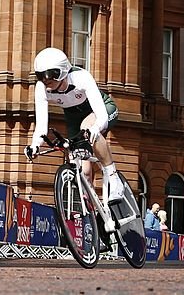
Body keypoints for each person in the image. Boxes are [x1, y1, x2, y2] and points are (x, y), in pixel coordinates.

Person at [24, 48, 124, 200]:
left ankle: (114, 178)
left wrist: (95, 128)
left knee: (88, 128)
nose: (45, 80)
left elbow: (101, 114)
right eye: (40, 75)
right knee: (81, 169)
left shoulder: (80, 77)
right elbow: (41, 126)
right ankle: (92, 211)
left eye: (49, 74)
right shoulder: (41, 88)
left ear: (62, 71)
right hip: (74, 119)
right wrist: (35, 145)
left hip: (102, 109)